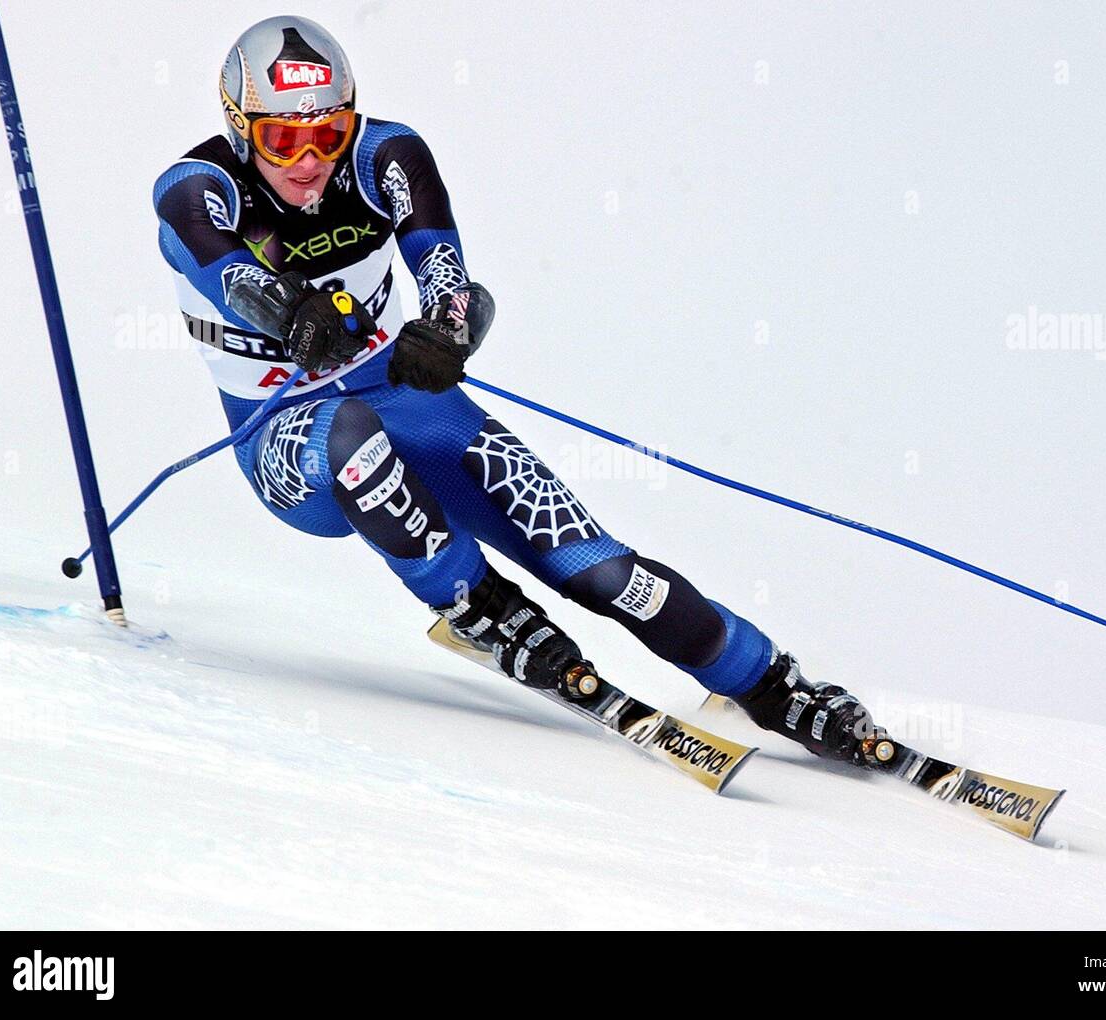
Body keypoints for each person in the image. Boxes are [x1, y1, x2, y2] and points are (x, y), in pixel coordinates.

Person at [152, 15, 888, 765]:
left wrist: (447, 329)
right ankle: (479, 605)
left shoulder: (386, 154)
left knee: (600, 568)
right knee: (349, 437)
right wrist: (292, 309)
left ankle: (764, 681)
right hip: (290, 439)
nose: (309, 160)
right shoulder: (196, 187)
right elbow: (226, 268)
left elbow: (440, 262)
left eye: (328, 131)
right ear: (241, 127)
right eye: (282, 140)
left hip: (411, 404)